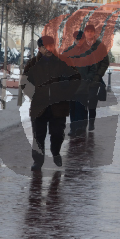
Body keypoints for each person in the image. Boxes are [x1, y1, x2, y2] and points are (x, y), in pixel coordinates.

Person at [21, 35, 81, 172]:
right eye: (44, 47)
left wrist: (66, 92)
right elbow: (24, 82)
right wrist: (34, 95)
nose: (48, 49)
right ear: (39, 48)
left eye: (50, 46)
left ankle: (55, 152)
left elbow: (76, 78)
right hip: (39, 106)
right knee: (38, 136)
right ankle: (38, 161)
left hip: (58, 106)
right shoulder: (32, 63)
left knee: (57, 134)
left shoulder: (63, 61)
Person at [68, 24, 110, 135]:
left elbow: (105, 62)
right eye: (88, 31)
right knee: (81, 103)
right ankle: (81, 125)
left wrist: (98, 76)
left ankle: (90, 122)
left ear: (94, 33)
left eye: (91, 31)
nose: (89, 33)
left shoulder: (100, 46)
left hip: (94, 79)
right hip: (82, 80)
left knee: (91, 102)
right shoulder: (81, 45)